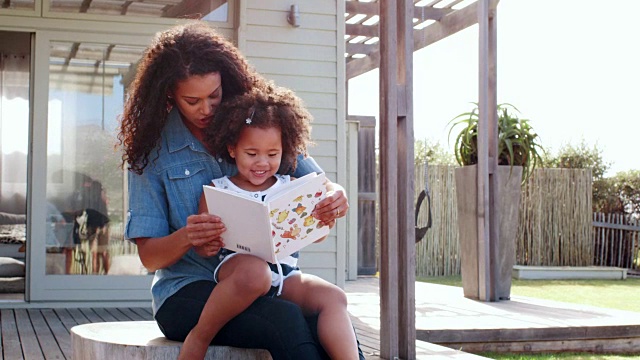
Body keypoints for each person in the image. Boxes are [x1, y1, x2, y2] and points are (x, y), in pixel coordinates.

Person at [118, 22, 361, 359]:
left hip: (273, 280)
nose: (206, 109)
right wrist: (189, 235)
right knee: (287, 320)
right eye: (193, 100)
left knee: (329, 311)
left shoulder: (254, 121)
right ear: (170, 94)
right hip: (187, 291)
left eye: (214, 95)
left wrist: (336, 195)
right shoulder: (152, 150)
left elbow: (318, 184)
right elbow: (149, 256)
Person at [178, 86, 359, 359]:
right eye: (252, 154)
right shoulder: (217, 191)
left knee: (334, 297)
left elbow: (316, 235)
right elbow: (206, 249)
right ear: (232, 149)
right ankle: (199, 336)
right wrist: (207, 243)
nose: (262, 162)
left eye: (272, 154)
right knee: (256, 273)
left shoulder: (294, 186)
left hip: (286, 276)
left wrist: (323, 220)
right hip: (241, 274)